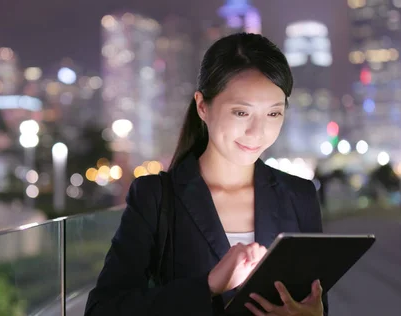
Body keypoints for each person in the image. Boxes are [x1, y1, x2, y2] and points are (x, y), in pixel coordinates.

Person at [84, 33, 328, 316]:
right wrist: (208, 286)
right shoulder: (157, 197)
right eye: (241, 113)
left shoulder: (299, 195)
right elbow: (103, 309)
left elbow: (317, 301)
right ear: (202, 106)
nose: (258, 132)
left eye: (273, 114)